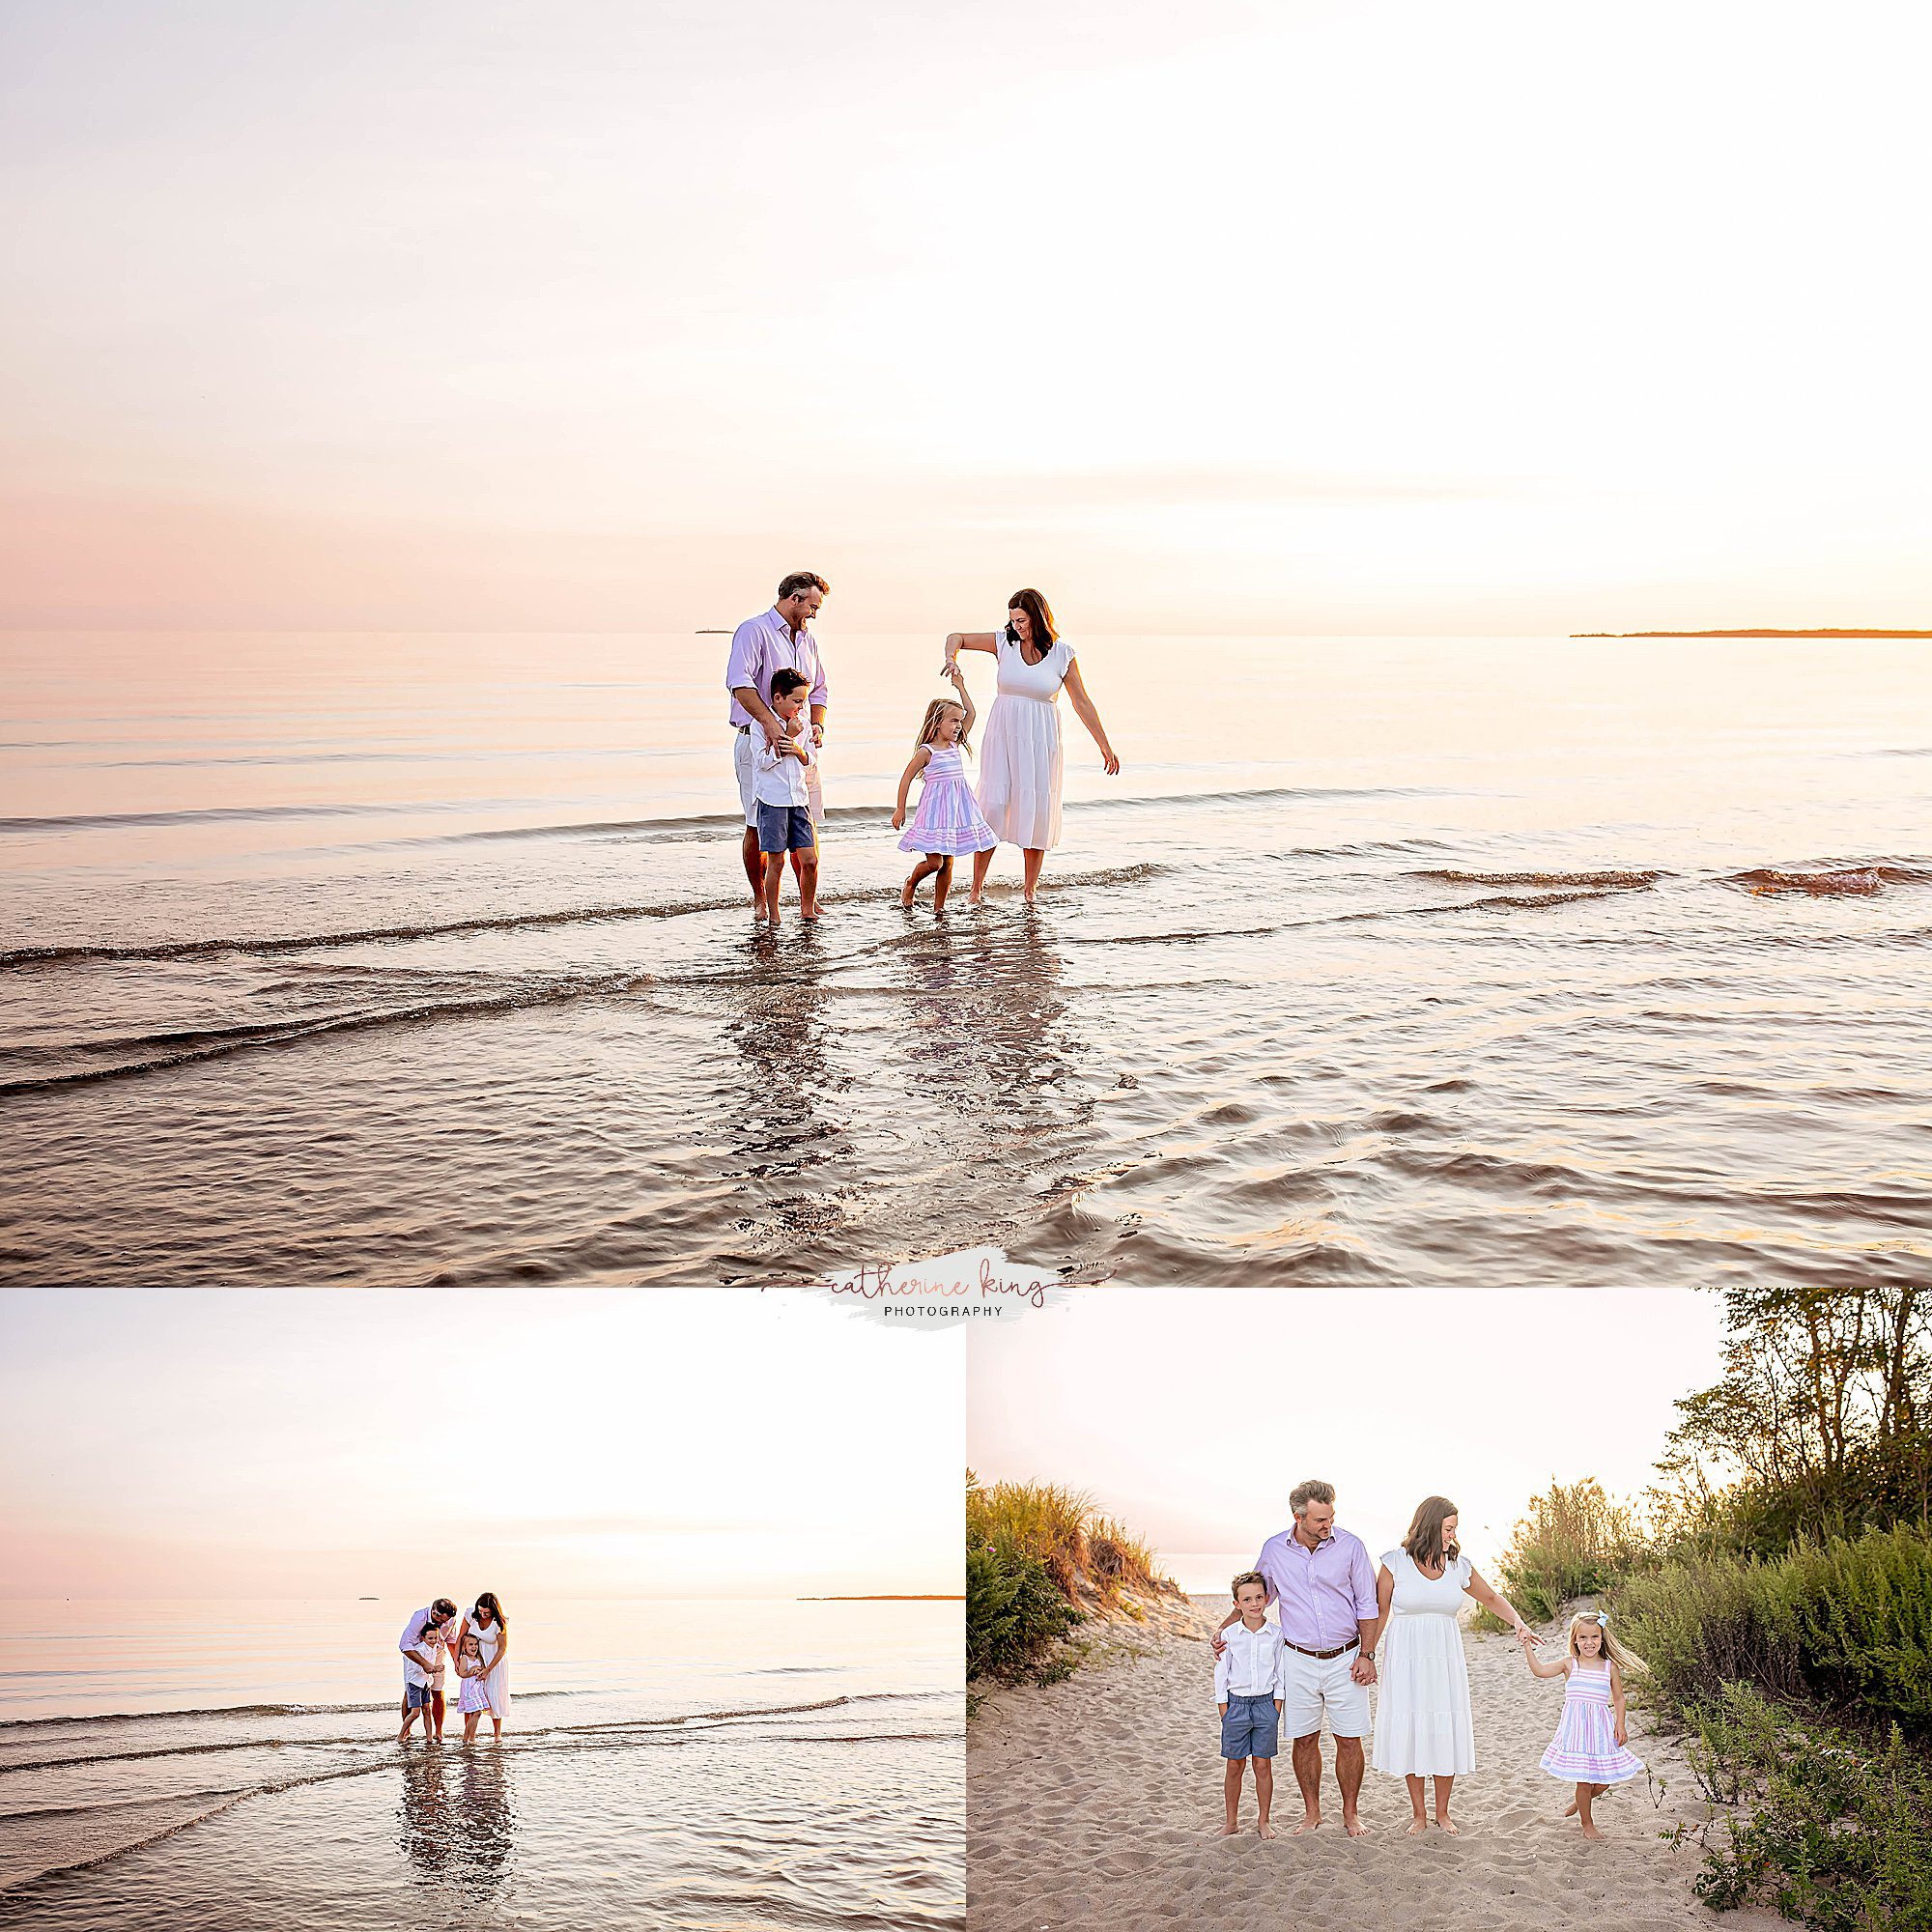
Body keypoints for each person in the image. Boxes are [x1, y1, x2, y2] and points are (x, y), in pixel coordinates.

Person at [1211, 1479, 1378, 1835]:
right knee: (1304, 1739)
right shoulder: (1274, 1549)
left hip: (1346, 1656)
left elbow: (1368, 1604)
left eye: (1330, 1517)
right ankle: (1312, 1812)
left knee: (1349, 1740)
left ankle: (1351, 1813)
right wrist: (1224, 1632)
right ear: (1298, 1517)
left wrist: (1367, 1654)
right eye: (1319, 1520)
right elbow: (1257, 1597)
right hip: (1297, 1659)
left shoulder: (1350, 1546)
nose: (1327, 1525)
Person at [1371, 1495, 1538, 1834]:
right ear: (1430, 1525)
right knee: (1414, 1728)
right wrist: (1367, 1653)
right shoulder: (1395, 1562)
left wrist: (1518, 1622)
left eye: (1454, 1529)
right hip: (1406, 1657)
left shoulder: (1458, 1565)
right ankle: (1419, 1814)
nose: (1452, 1535)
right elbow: (1380, 1610)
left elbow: (1490, 1597)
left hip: (1445, 1657)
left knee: (1443, 1728)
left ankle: (1443, 1812)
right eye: (1448, 1528)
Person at [942, 588, 1119, 903]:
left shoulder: (1063, 654)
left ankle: (1029, 891)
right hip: (1003, 733)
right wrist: (950, 659)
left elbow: (1081, 701)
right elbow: (956, 637)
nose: (1017, 626)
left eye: (1021, 620)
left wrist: (1104, 745)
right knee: (993, 804)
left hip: (1041, 739)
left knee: (1035, 809)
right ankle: (975, 889)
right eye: (1013, 620)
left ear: (1038, 617)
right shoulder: (1003, 642)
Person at [725, 573, 830, 907]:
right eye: (812, 606)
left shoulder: (808, 640)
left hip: (802, 747)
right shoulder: (754, 631)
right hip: (758, 741)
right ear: (794, 599)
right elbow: (740, 683)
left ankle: (807, 902)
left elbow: (821, 690)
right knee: (758, 823)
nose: (814, 613)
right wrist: (771, 726)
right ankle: (760, 900)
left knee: (806, 818)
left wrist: (817, 725)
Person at [1523, 1609, 1645, 1837]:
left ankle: (1581, 1802)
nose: (1589, 1643)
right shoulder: (1570, 1664)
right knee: (1584, 1781)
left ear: (1602, 1638)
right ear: (1575, 1640)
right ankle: (1587, 1824)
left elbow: (1618, 1698)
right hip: (1577, 1731)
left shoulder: (1610, 1668)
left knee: (1604, 1782)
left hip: (1600, 1731)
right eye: (1583, 1638)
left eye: (1594, 1637)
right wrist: (1527, 1646)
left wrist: (1621, 1724)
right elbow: (1539, 1671)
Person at [892, 665, 996, 913]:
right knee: (935, 863)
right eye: (953, 721)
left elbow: (971, 713)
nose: (959, 726)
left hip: (957, 811)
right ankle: (910, 884)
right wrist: (900, 809)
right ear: (938, 723)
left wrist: (960, 686)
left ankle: (939, 909)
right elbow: (906, 778)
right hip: (935, 813)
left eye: (960, 722)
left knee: (948, 864)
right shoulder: (927, 751)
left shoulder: (954, 745)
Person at [1214, 1571, 1287, 1839]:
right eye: (1247, 1599)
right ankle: (1231, 1821)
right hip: (1236, 1707)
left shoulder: (1276, 1635)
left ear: (1268, 1599)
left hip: (1266, 1706)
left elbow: (1280, 1672)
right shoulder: (1230, 1635)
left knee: (1262, 1765)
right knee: (1234, 1765)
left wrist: (1276, 1707)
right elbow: (1221, 1675)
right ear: (1237, 1604)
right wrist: (1225, 1712)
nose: (1254, 1603)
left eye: (1259, 1597)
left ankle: (1264, 1820)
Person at [752, 668, 819, 924]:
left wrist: (799, 749)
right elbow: (761, 763)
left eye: (803, 701)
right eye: (797, 701)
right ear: (778, 698)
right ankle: (774, 915)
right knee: (777, 862)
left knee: (810, 860)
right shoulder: (759, 726)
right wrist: (786, 738)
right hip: (774, 801)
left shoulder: (802, 725)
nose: (801, 707)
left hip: (799, 800)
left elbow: (810, 760)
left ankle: (807, 909)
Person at [398, 1597, 459, 1745]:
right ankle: (407, 1730)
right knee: (411, 1690)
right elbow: (404, 1646)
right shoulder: (419, 1618)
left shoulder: (449, 1619)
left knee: (438, 1691)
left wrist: (457, 1662)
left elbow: (450, 1640)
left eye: (446, 1621)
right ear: (434, 1612)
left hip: (437, 1653)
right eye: (440, 1621)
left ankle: (438, 1731)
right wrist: (424, 1664)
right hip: (416, 1654)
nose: (443, 1623)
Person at [465, 1592, 511, 1738]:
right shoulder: (471, 1616)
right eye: (480, 1611)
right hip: (476, 1661)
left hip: (495, 1664)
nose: (483, 1614)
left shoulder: (499, 1622)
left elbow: (502, 1648)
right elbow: (461, 1638)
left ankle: (497, 1735)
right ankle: (470, 1736)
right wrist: (461, 1661)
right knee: (472, 1696)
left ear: (493, 1610)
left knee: (494, 1696)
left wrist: (488, 1669)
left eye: (486, 1612)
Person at [454, 1629, 493, 1743]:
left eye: (476, 1644)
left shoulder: (478, 1658)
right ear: (464, 1647)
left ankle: (466, 1739)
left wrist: (478, 1668)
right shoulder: (464, 1658)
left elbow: (483, 1668)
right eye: (471, 1644)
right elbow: (462, 1673)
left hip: (477, 1688)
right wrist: (472, 1670)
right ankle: (472, 1738)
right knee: (477, 1712)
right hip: (468, 1688)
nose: (474, 1647)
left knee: (474, 1714)